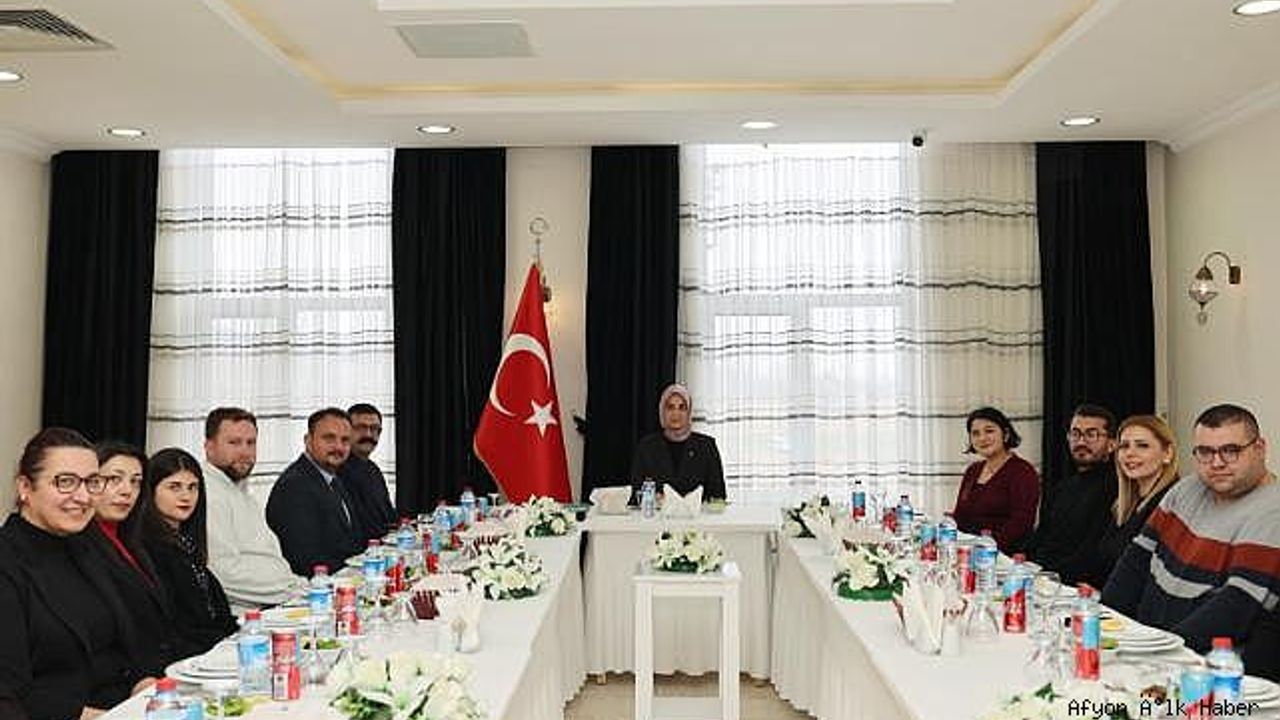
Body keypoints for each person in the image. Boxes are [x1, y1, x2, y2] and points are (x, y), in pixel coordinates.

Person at [1102, 404, 1280, 675]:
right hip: (1146, 647)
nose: (1217, 463)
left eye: (1231, 450)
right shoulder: (1186, 489)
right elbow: (1135, 562)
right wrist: (1103, 623)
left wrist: (1160, 654)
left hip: (1203, 668)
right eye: (1205, 452)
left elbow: (1237, 607)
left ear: (1260, 448)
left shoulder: (1272, 509)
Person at [0, 428, 155, 720]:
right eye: (66, 482)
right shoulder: (7, 561)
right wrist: (102, 716)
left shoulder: (87, 546)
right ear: (25, 487)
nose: (83, 497)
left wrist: (142, 683)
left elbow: (126, 643)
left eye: (92, 482)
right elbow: (11, 692)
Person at [84, 442, 180, 676]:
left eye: (136, 482)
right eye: (114, 479)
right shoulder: (80, 545)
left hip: (160, 670)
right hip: (120, 679)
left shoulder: (134, 541)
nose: (127, 491)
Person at [202, 407, 306, 612]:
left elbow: (267, 558)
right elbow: (223, 574)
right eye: (234, 443)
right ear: (209, 447)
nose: (245, 451)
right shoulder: (208, 493)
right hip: (245, 617)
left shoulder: (239, 490)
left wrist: (300, 586)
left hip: (277, 601)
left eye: (251, 443)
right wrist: (293, 590)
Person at [143, 448, 239, 658]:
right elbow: (177, 626)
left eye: (193, 487)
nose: (186, 496)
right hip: (188, 657)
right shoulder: (149, 547)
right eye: (174, 487)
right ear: (150, 491)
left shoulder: (186, 542)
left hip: (213, 648)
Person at [1026, 404, 1118, 584]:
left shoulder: (1116, 489)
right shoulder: (1062, 488)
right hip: (1041, 578)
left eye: (1091, 434)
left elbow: (1093, 554)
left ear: (1112, 444)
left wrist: (1045, 575)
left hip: (1075, 585)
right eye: (1075, 434)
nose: (1081, 441)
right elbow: (1040, 536)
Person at [266, 408, 364, 576]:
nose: (338, 447)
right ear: (308, 441)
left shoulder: (332, 478)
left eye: (345, 440)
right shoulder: (294, 486)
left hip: (345, 579)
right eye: (329, 438)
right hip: (316, 586)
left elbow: (350, 540)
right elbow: (305, 560)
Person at [952, 406, 1040, 554]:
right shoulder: (972, 470)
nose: (982, 438)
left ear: (1005, 435)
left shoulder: (1023, 471)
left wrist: (984, 549)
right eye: (975, 433)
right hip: (967, 552)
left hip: (1003, 555)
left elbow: (1022, 523)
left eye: (989, 431)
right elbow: (960, 516)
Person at [630, 383, 726, 502]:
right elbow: (636, 494)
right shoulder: (646, 447)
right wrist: (653, 499)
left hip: (698, 514)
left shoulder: (707, 446)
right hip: (658, 514)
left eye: (682, 407)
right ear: (662, 412)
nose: (676, 413)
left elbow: (718, 496)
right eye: (670, 407)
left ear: (689, 413)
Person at [340, 402, 397, 541]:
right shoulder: (337, 471)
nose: (368, 434)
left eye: (374, 429)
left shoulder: (373, 469)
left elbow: (389, 516)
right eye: (361, 428)